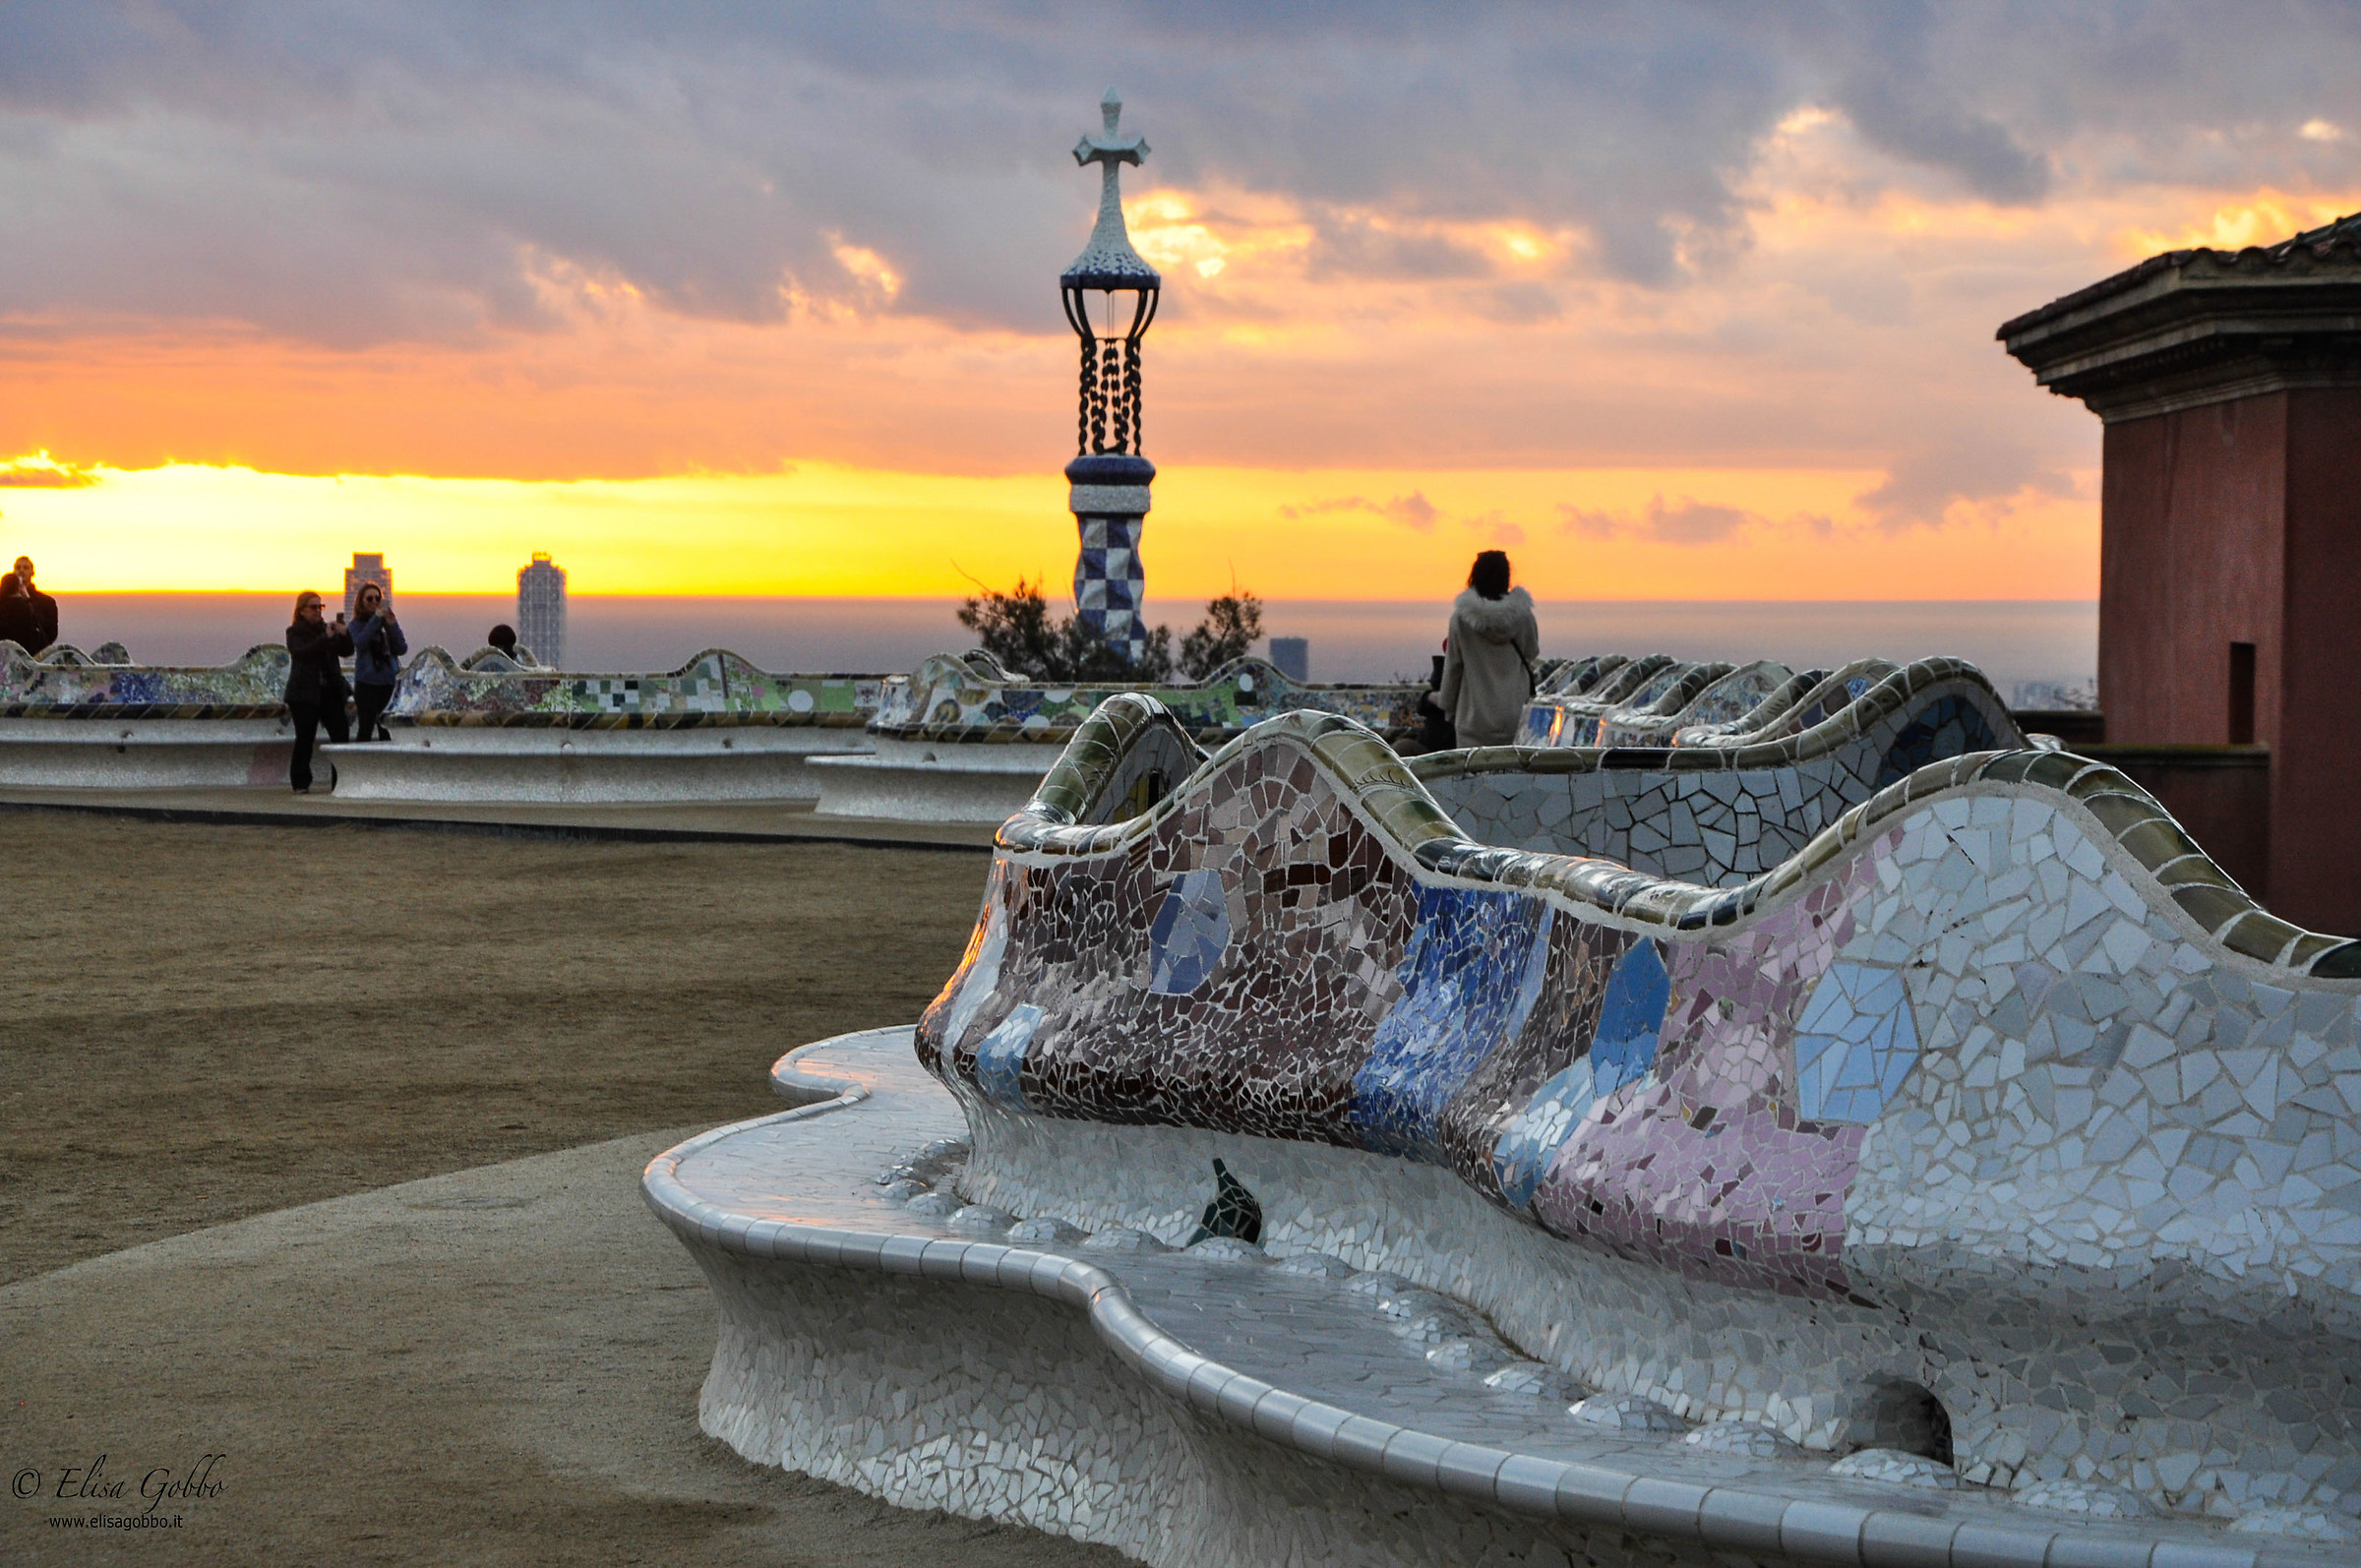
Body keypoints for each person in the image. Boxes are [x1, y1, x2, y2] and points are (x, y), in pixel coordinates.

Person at [1431, 550, 1540, 748]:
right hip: (1514, 717)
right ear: (1507, 577)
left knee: (1472, 775)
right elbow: (1531, 652)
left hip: (1473, 720)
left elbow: (1453, 667)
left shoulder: (1461, 620)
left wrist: (1447, 707)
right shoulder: (1523, 617)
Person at [285, 591, 353, 792]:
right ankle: (300, 782)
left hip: (330, 693)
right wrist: (325, 638)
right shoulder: (294, 632)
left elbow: (347, 651)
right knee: (305, 737)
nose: (317, 611)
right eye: (313, 607)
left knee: (341, 734)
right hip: (304, 693)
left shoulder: (326, 631)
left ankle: (340, 782)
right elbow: (302, 653)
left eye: (320, 607)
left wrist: (344, 633)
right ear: (301, 611)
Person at [347, 582, 407, 742]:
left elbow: (401, 648)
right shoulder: (356, 625)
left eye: (377, 598)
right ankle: (361, 764)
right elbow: (360, 643)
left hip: (388, 683)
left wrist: (392, 624)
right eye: (370, 599)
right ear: (362, 602)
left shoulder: (385, 624)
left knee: (387, 730)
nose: (374, 602)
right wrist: (376, 619)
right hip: (367, 683)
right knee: (366, 728)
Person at [2, 556, 59, 654]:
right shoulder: (3, 600)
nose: (21, 570)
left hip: (34, 656)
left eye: (26, 568)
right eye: (18, 567)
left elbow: (51, 633)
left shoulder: (47, 602)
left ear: (32, 573)